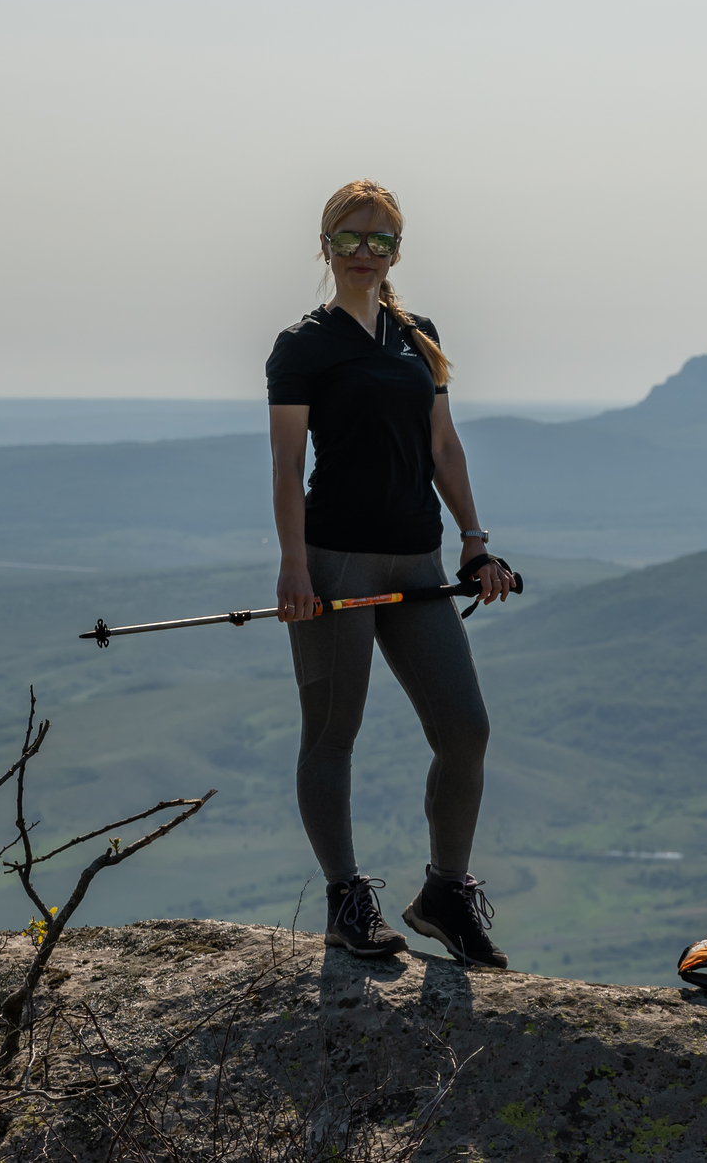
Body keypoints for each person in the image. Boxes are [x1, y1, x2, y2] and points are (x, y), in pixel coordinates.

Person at [265, 179, 516, 967]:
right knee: (333, 734)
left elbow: (444, 446)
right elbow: (286, 463)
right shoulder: (302, 345)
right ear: (325, 245)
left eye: (382, 240)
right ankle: (346, 897)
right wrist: (295, 567)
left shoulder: (419, 335)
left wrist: (475, 542)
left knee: (465, 728)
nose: (367, 253)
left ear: (397, 249)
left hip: (421, 556)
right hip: (337, 561)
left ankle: (445, 892)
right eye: (351, 238)